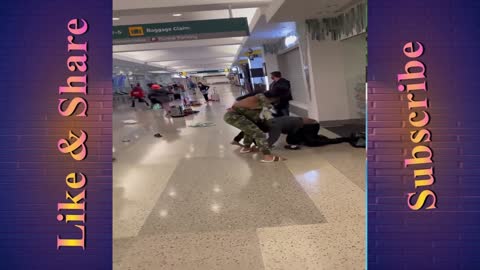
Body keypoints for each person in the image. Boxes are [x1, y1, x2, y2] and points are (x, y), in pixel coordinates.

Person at [224, 92, 283, 162]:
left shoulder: (257, 104)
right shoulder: (261, 97)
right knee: (259, 134)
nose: (273, 102)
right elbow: (263, 99)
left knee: (250, 131)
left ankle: (246, 148)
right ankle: (268, 157)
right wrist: (268, 109)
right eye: (274, 100)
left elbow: (256, 117)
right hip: (234, 117)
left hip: (234, 116)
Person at [267, 116, 353, 149]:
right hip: (299, 127)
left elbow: (272, 139)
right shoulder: (270, 122)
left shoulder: (274, 126)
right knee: (291, 140)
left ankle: (343, 139)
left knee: (312, 143)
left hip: (311, 125)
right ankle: (308, 137)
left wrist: (262, 147)